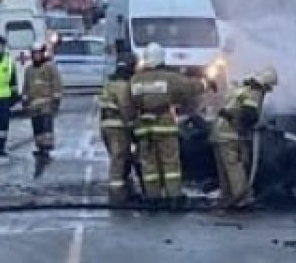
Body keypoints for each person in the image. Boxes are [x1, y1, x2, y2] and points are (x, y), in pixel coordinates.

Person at [129, 42, 214, 210]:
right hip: (164, 126)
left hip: (144, 129)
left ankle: (153, 198)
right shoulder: (169, 78)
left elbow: (131, 102)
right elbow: (189, 87)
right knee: (170, 164)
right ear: (161, 59)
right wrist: (207, 83)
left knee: (149, 165)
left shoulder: (135, 80)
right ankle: (174, 197)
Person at [212, 67, 279, 209]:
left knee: (224, 168)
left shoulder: (242, 89)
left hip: (218, 131)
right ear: (265, 85)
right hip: (230, 133)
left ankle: (227, 196)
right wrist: (259, 125)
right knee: (235, 166)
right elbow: (249, 115)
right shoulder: (255, 93)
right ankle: (242, 198)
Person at [98, 54, 137, 205]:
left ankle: (124, 186)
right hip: (117, 127)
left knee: (122, 157)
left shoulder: (109, 84)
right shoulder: (122, 86)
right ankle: (117, 194)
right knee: (119, 158)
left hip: (106, 126)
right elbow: (125, 107)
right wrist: (133, 125)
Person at [23, 41, 63, 177]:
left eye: (38, 53)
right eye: (34, 54)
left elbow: (56, 83)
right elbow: (26, 86)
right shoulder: (29, 70)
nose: (36, 56)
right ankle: (40, 147)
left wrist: (56, 98)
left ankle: (46, 148)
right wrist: (25, 98)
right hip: (34, 104)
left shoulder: (49, 68)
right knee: (37, 128)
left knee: (46, 127)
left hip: (46, 102)